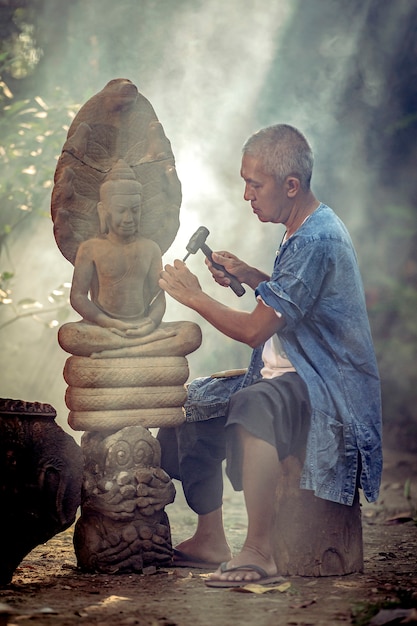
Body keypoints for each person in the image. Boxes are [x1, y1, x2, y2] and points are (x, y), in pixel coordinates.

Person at [157, 124, 382, 586]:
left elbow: (256, 328)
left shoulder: (316, 239)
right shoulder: (299, 227)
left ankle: (259, 550)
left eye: (254, 184)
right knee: (194, 405)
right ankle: (210, 535)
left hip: (324, 382)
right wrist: (252, 274)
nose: (246, 195)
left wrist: (195, 297)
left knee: (253, 404)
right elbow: (297, 299)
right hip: (291, 366)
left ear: (291, 186)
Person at [58, 159, 201, 358]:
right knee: (68, 335)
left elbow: (158, 297)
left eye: (135, 210)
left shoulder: (150, 248)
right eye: (120, 211)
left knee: (191, 333)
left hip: (143, 327)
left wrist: (150, 323)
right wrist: (109, 323)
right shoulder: (90, 248)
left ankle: (121, 350)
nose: (128, 218)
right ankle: (142, 349)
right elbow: (78, 297)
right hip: (105, 328)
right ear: (103, 211)